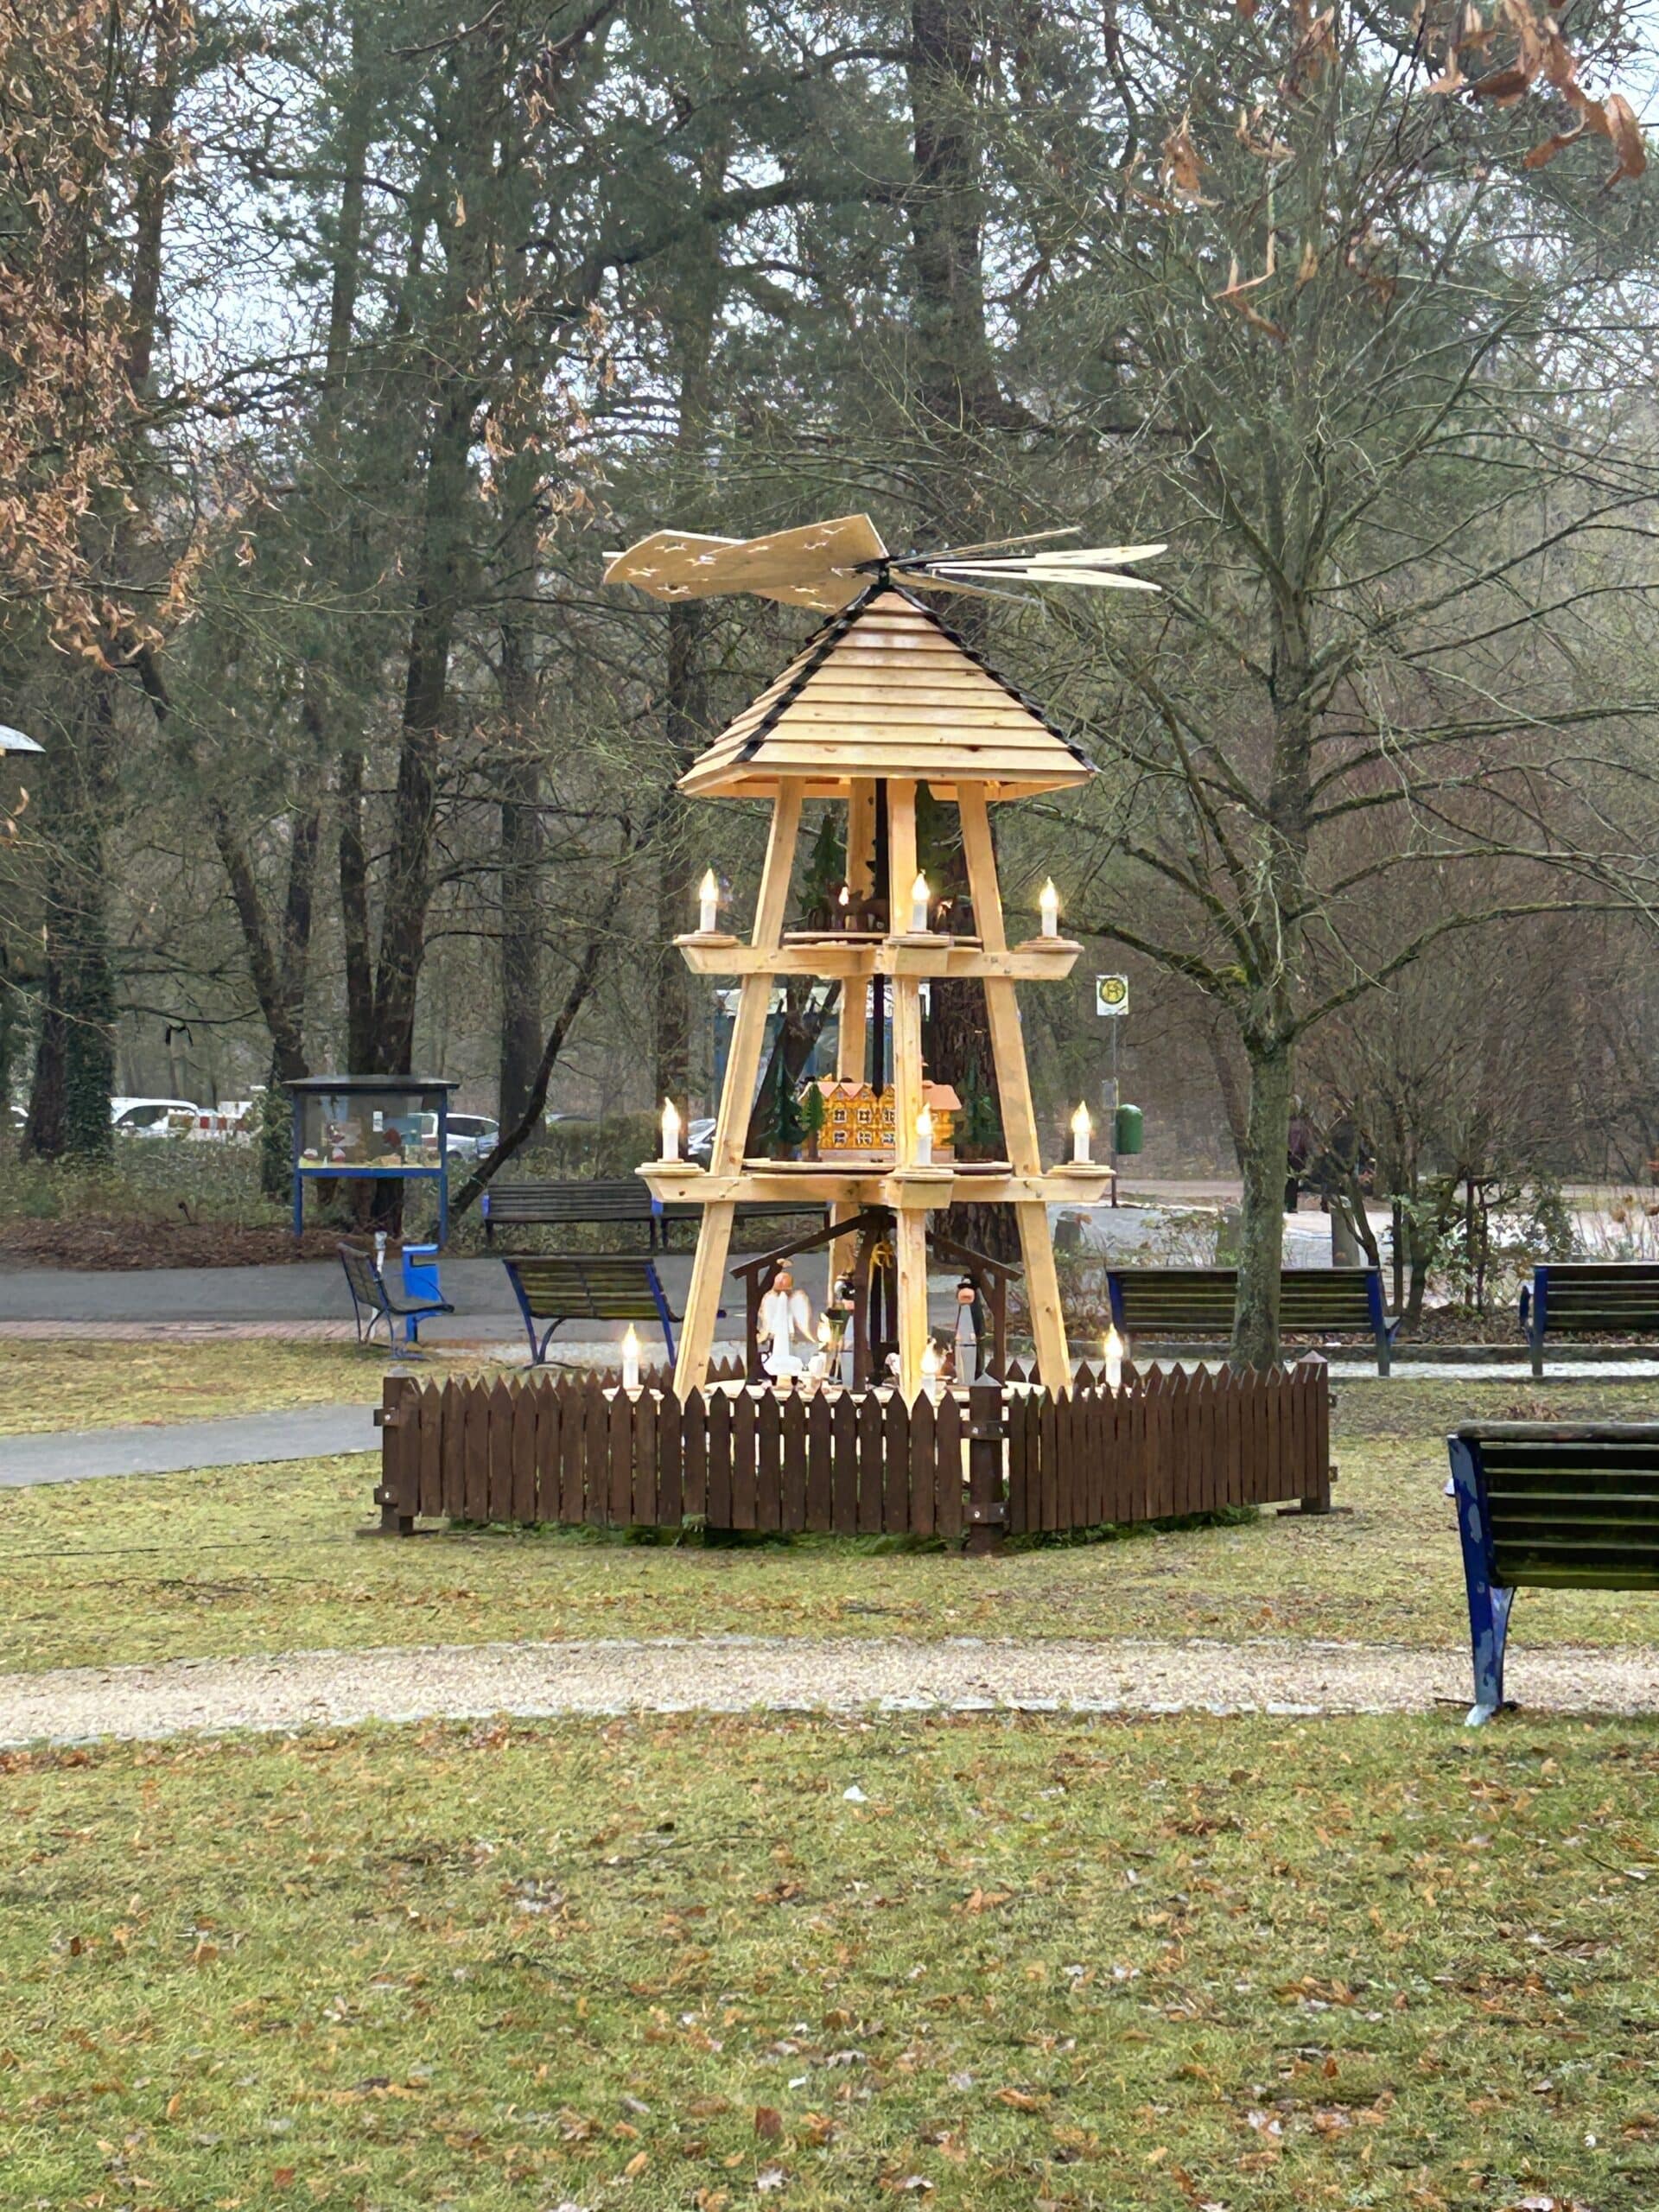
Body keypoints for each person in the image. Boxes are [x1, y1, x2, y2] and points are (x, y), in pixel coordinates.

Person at [760, 1263, 814, 1380]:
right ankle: (774, 1376)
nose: (783, 1294)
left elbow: (789, 1317)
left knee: (789, 1352)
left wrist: (791, 1332)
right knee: (774, 1351)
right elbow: (772, 1317)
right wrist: (770, 1332)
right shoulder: (772, 1299)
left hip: (786, 1337)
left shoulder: (791, 1301)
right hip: (777, 1335)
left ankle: (790, 1377)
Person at [1286, 1105, 1311, 1214]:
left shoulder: (1299, 1124)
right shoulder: (1290, 1124)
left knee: (1293, 1180)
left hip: (1295, 1155)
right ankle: (1289, 1204)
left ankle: (1290, 1204)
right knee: (1291, 1180)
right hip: (1291, 1154)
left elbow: (1303, 1140)